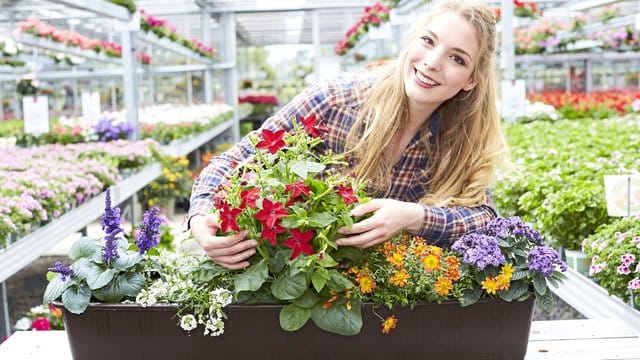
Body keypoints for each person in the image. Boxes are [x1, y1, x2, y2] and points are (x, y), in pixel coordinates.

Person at [189, 0, 507, 270]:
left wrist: (412, 216)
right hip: (306, 278)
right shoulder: (336, 100)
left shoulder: (459, 135)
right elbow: (234, 162)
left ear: (471, 80)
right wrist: (200, 217)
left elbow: (485, 218)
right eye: (428, 41)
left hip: (388, 296)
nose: (432, 62)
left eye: (457, 58)